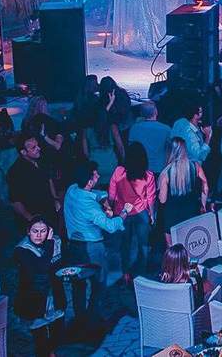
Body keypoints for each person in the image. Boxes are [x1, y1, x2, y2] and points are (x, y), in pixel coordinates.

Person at [63, 161, 128, 326]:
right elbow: (110, 226)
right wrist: (124, 213)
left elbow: (96, 193)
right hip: (93, 248)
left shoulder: (72, 190)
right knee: (99, 282)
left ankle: (80, 318)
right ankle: (94, 318)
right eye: (95, 174)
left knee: (78, 284)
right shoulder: (91, 207)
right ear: (89, 181)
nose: (98, 175)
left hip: (73, 245)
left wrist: (104, 199)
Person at [14, 216, 68, 357]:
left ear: (49, 231)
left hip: (54, 295)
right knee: (40, 339)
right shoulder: (22, 250)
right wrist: (49, 243)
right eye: (35, 231)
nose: (38, 235)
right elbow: (41, 268)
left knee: (58, 331)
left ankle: (52, 352)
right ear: (28, 231)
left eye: (43, 231)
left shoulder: (56, 241)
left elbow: (61, 262)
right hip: (35, 300)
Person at [109, 143, 156, 284]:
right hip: (140, 212)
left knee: (125, 245)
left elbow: (112, 194)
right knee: (143, 245)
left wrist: (111, 210)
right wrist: (152, 215)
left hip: (122, 213)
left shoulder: (118, 172)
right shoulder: (148, 176)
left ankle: (126, 274)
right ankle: (141, 275)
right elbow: (150, 199)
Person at [158, 137, 210, 242]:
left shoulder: (165, 174)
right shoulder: (195, 166)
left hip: (172, 216)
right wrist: (203, 204)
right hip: (191, 212)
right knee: (191, 242)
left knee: (173, 247)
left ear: (169, 152)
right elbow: (205, 185)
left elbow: (162, 200)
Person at [7, 134, 60, 229]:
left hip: (50, 210)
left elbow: (49, 179)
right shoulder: (15, 172)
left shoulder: (41, 160)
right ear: (23, 152)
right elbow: (15, 201)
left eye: (38, 145)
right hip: (34, 216)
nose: (39, 148)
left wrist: (55, 198)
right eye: (33, 147)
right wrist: (30, 218)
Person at [128, 101, 172, 174]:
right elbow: (171, 150)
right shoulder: (166, 129)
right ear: (156, 112)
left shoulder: (134, 128)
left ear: (141, 113)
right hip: (160, 168)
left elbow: (131, 149)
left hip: (140, 168)